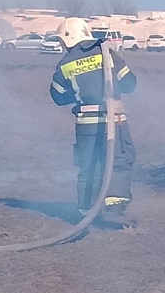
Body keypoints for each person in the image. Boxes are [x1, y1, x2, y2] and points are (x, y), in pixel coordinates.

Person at [49, 17, 138, 226]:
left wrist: (79, 95)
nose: (62, 46)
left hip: (86, 126)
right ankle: (115, 207)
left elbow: (58, 96)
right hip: (115, 122)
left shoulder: (65, 64)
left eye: (62, 41)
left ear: (69, 38)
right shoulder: (107, 53)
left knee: (89, 166)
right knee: (119, 160)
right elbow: (130, 83)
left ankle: (87, 211)